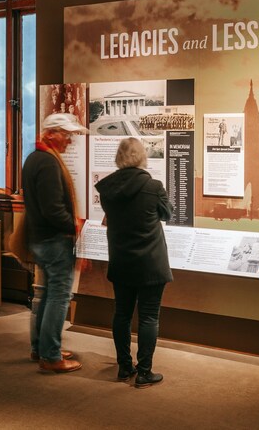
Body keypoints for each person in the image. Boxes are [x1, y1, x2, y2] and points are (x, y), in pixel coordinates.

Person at [94, 138, 172, 388]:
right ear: (141, 156)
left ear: (119, 157)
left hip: (121, 260)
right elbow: (168, 213)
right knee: (148, 317)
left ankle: (124, 367)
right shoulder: (153, 186)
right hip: (151, 262)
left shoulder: (107, 189)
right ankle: (144, 372)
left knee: (122, 314)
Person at [22, 112, 88, 373]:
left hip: (42, 238)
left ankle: (40, 348)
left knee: (48, 294)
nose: (69, 141)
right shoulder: (48, 162)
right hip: (53, 240)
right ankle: (50, 356)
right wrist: (74, 226)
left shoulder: (35, 158)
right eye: (66, 135)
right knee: (59, 296)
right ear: (50, 134)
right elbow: (53, 209)